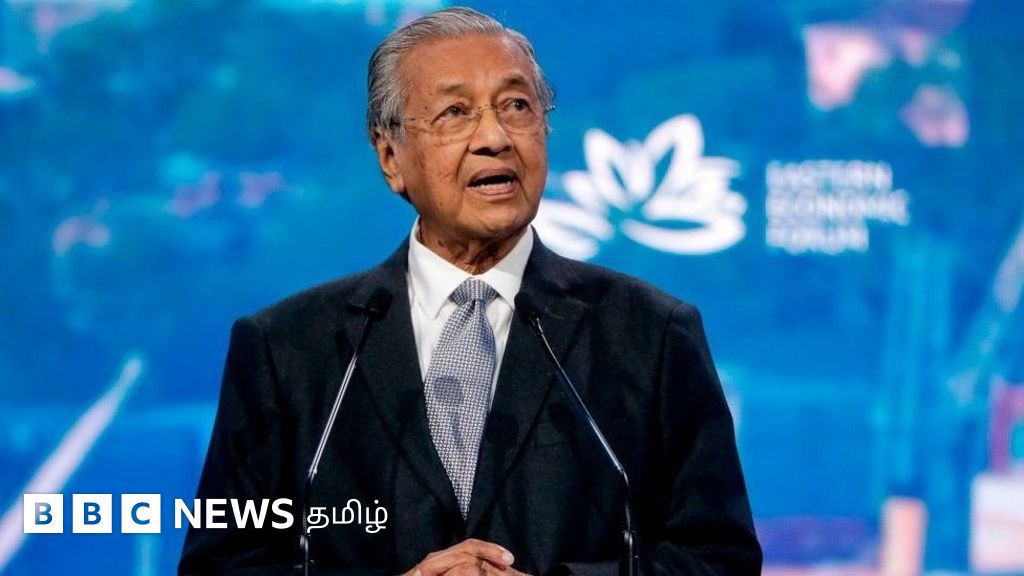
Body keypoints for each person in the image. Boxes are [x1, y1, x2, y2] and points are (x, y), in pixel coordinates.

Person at [179, 7, 761, 576]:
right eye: (455, 112)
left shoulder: (652, 335)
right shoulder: (285, 349)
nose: (494, 137)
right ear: (390, 156)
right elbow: (223, 565)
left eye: (516, 106)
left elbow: (718, 558)